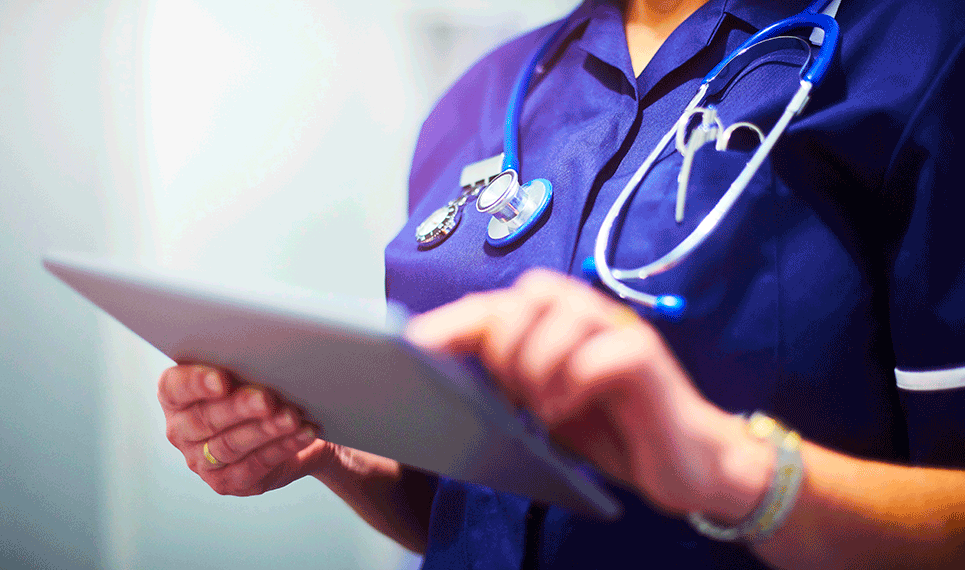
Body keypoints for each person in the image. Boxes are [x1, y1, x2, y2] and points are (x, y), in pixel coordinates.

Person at [157, 0, 965, 567]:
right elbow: (467, 510)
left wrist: (733, 472)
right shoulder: (484, 93)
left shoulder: (921, 52)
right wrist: (330, 451)